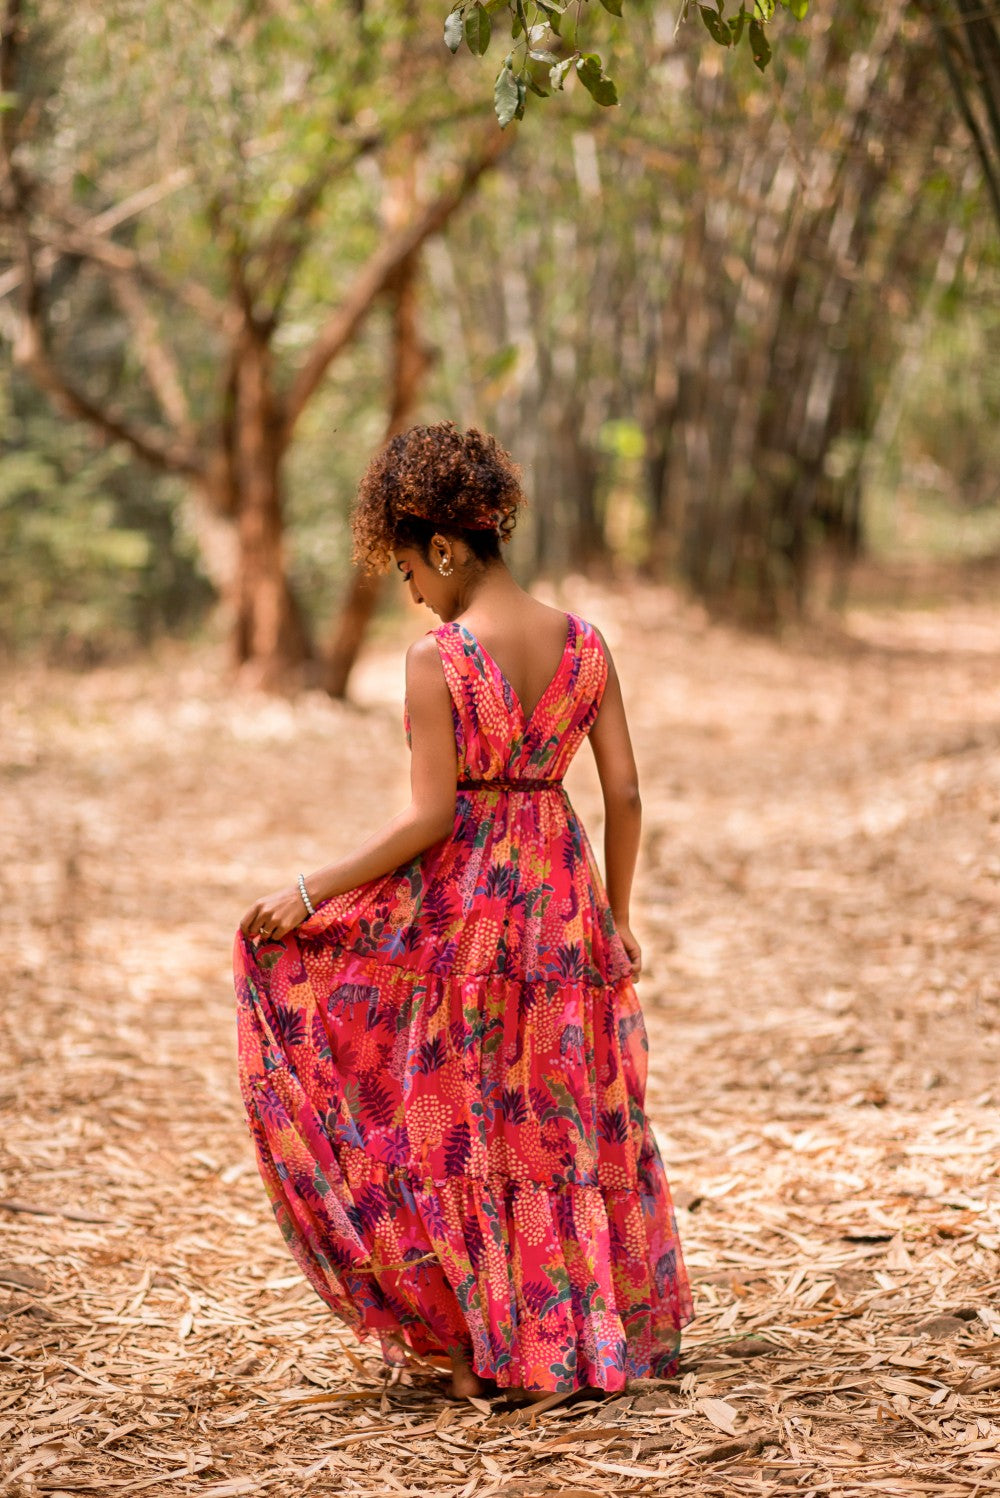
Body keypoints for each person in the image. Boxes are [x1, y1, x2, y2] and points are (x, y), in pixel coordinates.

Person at [234, 421, 693, 1402]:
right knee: (557, 1118)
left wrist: (312, 892)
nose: (412, 593)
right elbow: (625, 794)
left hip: (470, 920)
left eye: (408, 570)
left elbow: (431, 817)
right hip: (562, 904)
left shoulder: (437, 657)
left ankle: (485, 1345)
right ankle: (573, 1341)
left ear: (443, 547)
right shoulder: (587, 644)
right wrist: (617, 918)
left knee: (463, 1123)